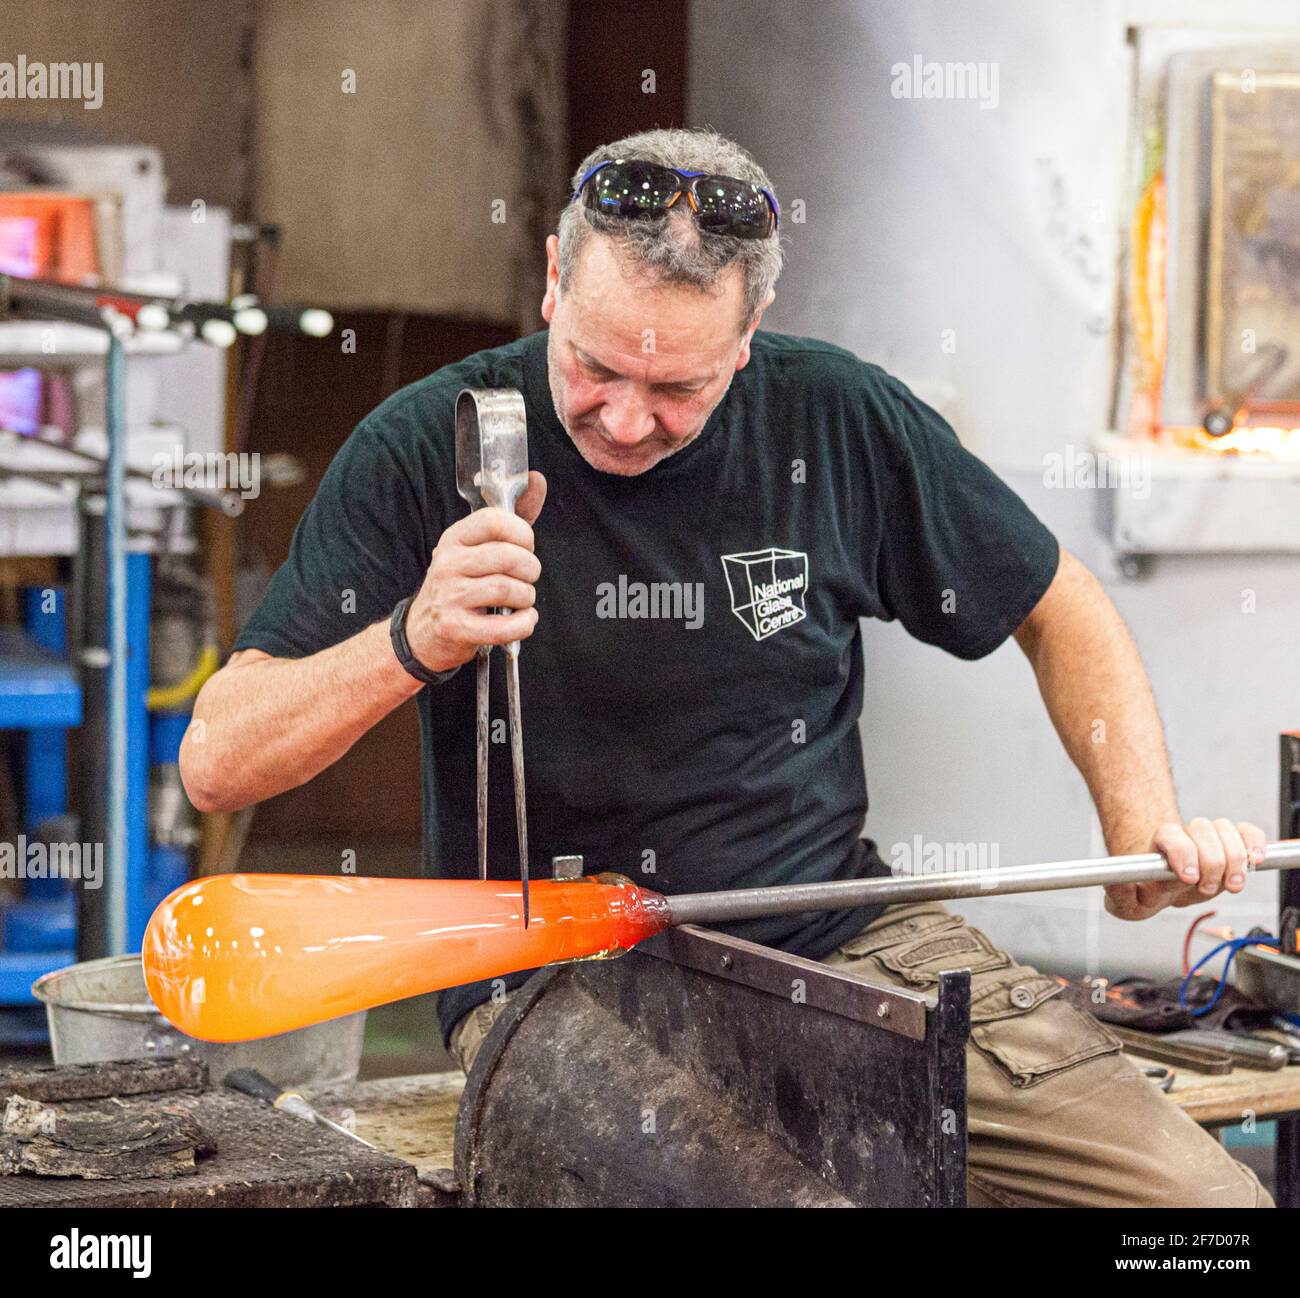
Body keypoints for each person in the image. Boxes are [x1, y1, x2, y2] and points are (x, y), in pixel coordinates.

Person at [182, 126, 1271, 1207]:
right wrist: (410, 641)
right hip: (556, 978)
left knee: (1208, 1217)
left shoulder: (836, 417)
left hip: (841, 934)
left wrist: (1140, 828)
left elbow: (1058, 603)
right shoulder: (425, 447)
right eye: (596, 369)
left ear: (750, 335)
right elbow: (218, 765)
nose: (623, 418)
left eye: (678, 391)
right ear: (554, 280)